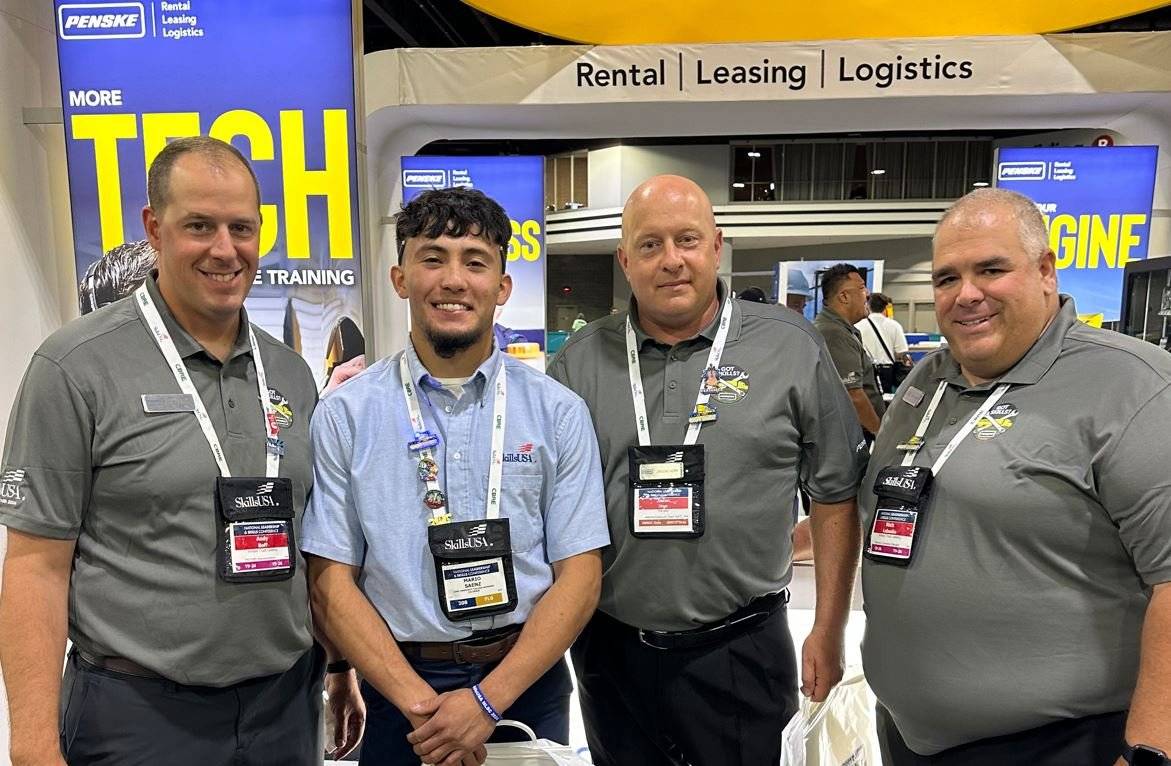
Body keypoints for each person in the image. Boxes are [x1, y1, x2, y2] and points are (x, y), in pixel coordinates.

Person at [0, 136, 363, 766]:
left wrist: (338, 666)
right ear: (154, 228)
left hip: (284, 708)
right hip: (138, 717)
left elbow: (309, 545)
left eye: (241, 228)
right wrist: (33, 745)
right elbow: (35, 567)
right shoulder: (75, 367)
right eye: (199, 226)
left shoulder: (290, 374)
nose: (224, 249)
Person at [549, 174, 866, 766]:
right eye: (650, 244)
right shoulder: (579, 362)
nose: (671, 260)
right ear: (625, 260)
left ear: (716, 247)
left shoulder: (789, 347)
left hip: (742, 648)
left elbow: (835, 493)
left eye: (687, 240)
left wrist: (829, 626)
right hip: (611, 650)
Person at [861, 187, 1171, 766]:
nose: (966, 294)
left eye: (991, 270)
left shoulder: (1134, 387)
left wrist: (1150, 751)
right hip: (909, 735)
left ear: (1046, 271)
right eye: (947, 278)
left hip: (1060, 743)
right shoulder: (926, 382)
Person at [303, 186, 609, 766]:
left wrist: (486, 703)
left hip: (526, 681)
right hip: (398, 685)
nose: (453, 280)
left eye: (475, 262)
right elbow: (330, 581)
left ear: (502, 286)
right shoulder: (347, 414)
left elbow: (580, 576)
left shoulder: (557, 412)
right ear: (400, 279)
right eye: (432, 258)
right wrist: (423, 708)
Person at [814, 263, 885, 437]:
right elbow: (853, 395)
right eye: (862, 288)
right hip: (850, 436)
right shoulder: (833, 333)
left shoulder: (842, 330)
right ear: (844, 296)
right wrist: (879, 433)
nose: (867, 294)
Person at [856, 292, 913, 394]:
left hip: (866, 370)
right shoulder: (895, 325)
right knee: (885, 399)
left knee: (868, 398)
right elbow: (901, 352)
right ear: (885, 307)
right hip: (887, 371)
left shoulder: (858, 326)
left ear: (868, 306)